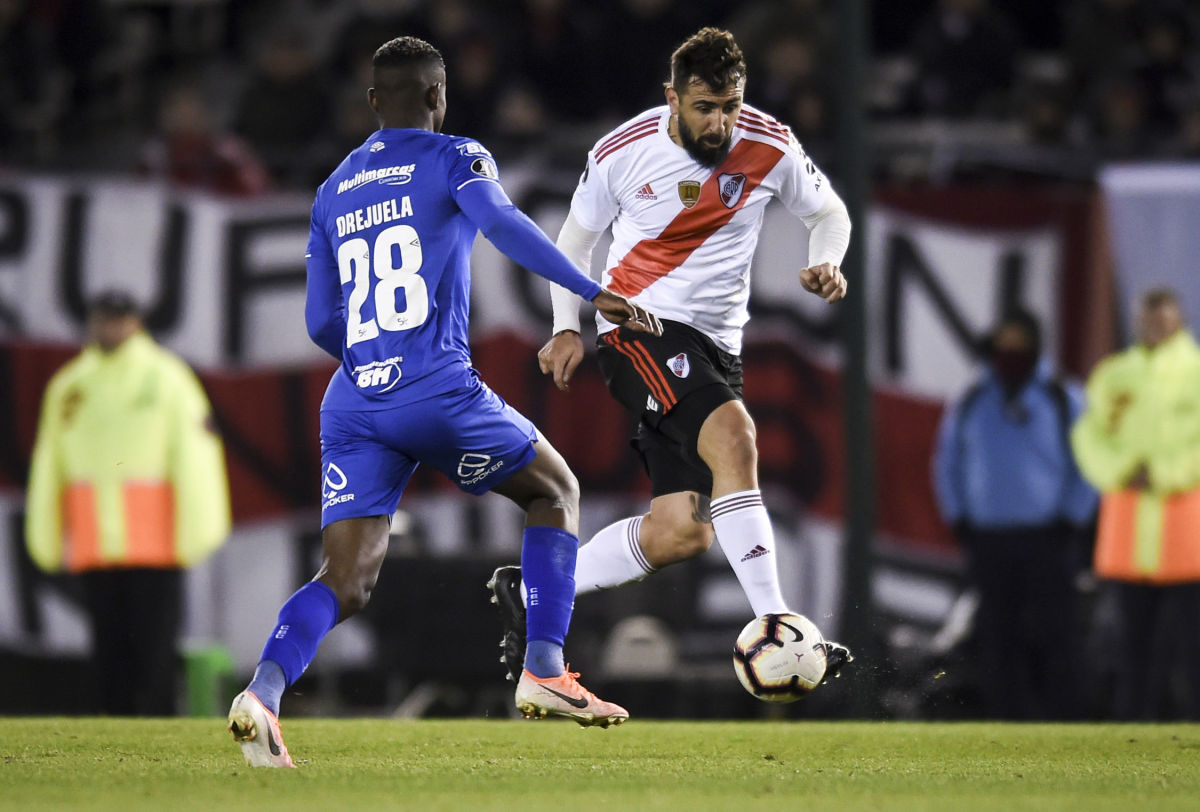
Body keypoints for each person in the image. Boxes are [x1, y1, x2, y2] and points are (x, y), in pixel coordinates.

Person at [226, 36, 661, 769]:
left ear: (373, 102)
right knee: (555, 490)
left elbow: (320, 322)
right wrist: (592, 293)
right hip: (434, 386)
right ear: (438, 96)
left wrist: (374, 360)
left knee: (346, 579)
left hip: (354, 399)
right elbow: (501, 223)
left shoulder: (333, 188)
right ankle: (545, 668)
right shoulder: (456, 156)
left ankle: (263, 694)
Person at [488, 27, 853, 685]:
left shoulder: (770, 144)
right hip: (638, 329)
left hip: (718, 348)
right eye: (704, 107)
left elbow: (830, 213)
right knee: (735, 437)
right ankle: (778, 626)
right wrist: (566, 326)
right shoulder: (622, 151)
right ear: (672, 98)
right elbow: (575, 241)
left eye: (730, 106)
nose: (720, 123)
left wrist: (826, 259)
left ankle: (538, 590)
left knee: (682, 530)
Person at [25, 290, 231, 715]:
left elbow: (196, 456)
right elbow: (48, 464)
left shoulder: (166, 377)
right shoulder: (70, 385)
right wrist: (45, 537)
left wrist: (200, 529)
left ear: (136, 322)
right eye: (104, 319)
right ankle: (114, 732)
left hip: (156, 544)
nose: (112, 328)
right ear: (91, 323)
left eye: (119, 319)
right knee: (108, 654)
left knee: (154, 654)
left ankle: (157, 729)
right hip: (96, 545)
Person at [932, 309, 1097, 719]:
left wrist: (1071, 519)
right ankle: (1007, 719)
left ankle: (1067, 720)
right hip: (989, 539)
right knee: (996, 634)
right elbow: (947, 463)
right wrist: (960, 518)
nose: (1010, 351)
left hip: (1048, 537)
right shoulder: (971, 399)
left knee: (1056, 632)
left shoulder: (1063, 397)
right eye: (1003, 342)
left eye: (1019, 343)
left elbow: (1090, 465)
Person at [1071, 288, 1200, 720]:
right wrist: (1123, 469)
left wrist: (1162, 473)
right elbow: (1088, 437)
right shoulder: (1114, 375)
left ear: (1179, 320)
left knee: (1192, 647)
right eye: (1149, 320)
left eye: (1164, 319)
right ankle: (1131, 732)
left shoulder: (1195, 373)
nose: (1156, 328)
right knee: (1131, 647)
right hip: (1128, 537)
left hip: (1188, 538)